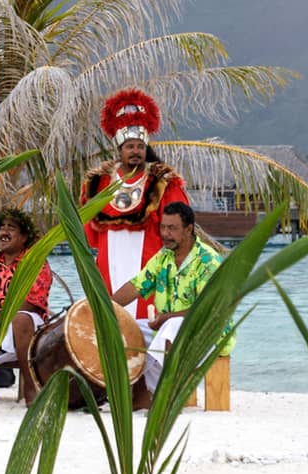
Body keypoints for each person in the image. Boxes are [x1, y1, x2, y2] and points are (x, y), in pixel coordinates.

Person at [80, 88, 191, 323]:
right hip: (109, 262)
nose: (135, 151)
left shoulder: (163, 182)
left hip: (150, 260)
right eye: (130, 146)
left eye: (140, 147)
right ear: (119, 149)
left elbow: (180, 227)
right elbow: (89, 234)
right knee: (111, 322)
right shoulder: (96, 183)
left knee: (147, 324)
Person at [110, 201, 232, 406]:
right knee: (129, 328)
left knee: (172, 327)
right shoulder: (163, 257)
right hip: (166, 330)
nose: (165, 234)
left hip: (207, 334)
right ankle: (138, 394)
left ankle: (166, 395)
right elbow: (136, 286)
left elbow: (208, 308)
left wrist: (167, 318)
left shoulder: (208, 261)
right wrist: (104, 306)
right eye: (163, 227)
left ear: (189, 229)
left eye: (172, 228)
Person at [0, 207, 52, 403]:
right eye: (2, 227)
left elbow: (33, 302)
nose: (4, 232)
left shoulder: (34, 261)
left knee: (20, 317)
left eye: (11, 228)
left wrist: (2, 316)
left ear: (24, 237)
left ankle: (30, 385)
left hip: (28, 323)